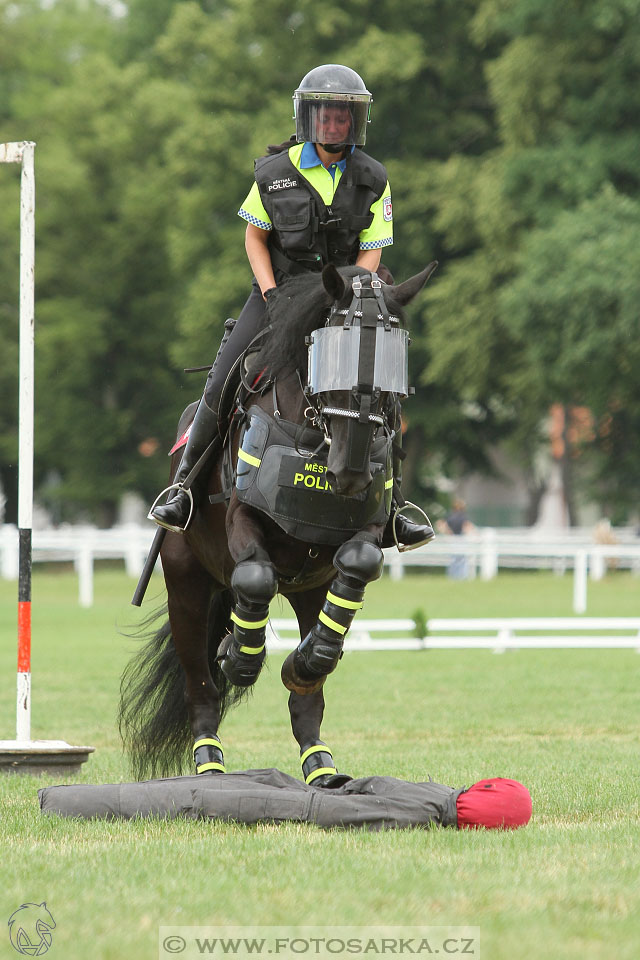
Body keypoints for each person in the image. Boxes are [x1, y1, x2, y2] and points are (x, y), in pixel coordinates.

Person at [150, 64, 434, 549]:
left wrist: (356, 291)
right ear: (309, 117)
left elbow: (373, 246)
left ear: (355, 122)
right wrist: (270, 293)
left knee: (381, 382)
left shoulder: (374, 177)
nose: (334, 124)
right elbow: (254, 238)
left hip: (345, 298)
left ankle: (395, 508)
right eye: (325, 115)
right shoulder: (274, 174)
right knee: (224, 373)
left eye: (343, 117)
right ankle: (182, 488)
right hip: (277, 293)